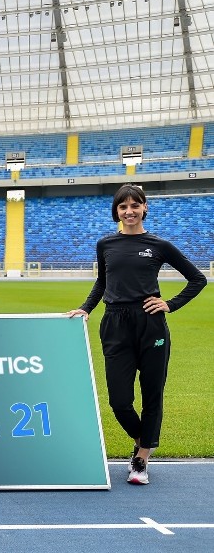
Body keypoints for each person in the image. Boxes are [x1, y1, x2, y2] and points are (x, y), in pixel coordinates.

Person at [66, 184, 206, 485]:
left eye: (135, 205)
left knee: (152, 393)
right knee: (119, 401)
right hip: (115, 324)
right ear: (116, 211)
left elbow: (198, 279)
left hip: (150, 323)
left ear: (144, 208)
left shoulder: (160, 245)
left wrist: (170, 304)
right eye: (123, 206)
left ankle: (141, 459)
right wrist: (86, 308)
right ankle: (146, 437)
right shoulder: (106, 245)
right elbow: (102, 283)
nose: (129, 211)